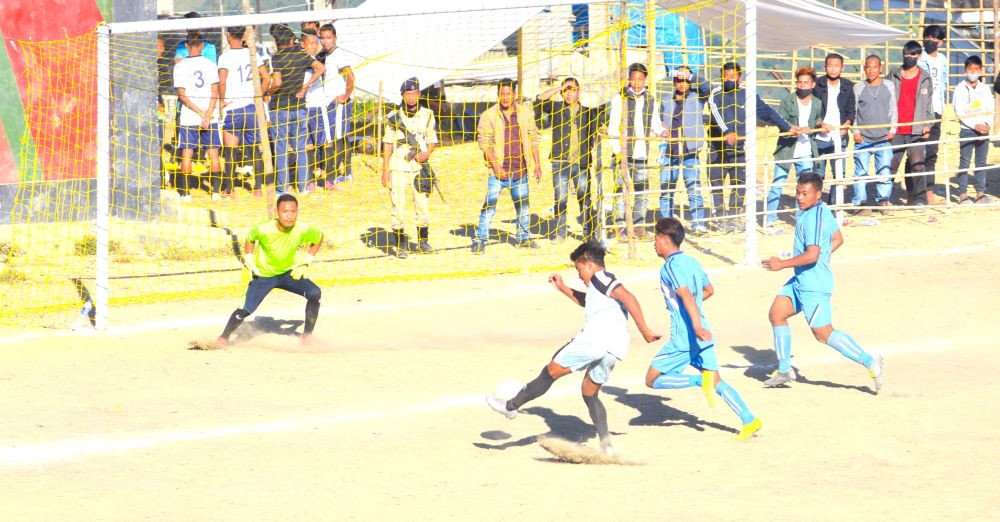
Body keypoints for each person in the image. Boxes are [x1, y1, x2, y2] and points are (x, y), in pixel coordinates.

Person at [486, 240, 661, 456]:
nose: (578, 275)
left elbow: (629, 297)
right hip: (613, 350)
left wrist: (644, 329)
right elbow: (587, 301)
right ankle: (606, 444)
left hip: (593, 341)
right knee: (589, 393)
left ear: (588, 264)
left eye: (578, 269)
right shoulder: (599, 288)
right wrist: (563, 288)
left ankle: (510, 407)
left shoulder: (602, 278)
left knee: (549, 372)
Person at [761, 172, 884, 392]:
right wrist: (820, 257)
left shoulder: (814, 218)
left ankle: (870, 361)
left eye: (804, 193)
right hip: (801, 279)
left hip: (813, 285)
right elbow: (838, 239)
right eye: (798, 192)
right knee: (776, 314)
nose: (799, 197)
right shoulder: (820, 211)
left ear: (817, 194)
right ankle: (784, 371)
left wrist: (782, 264)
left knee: (823, 333)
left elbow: (812, 255)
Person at [646, 218, 762, 441]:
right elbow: (708, 290)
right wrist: (695, 314)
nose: (654, 244)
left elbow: (687, 295)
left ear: (664, 239)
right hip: (703, 334)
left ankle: (699, 381)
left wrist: (694, 324)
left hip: (686, 338)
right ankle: (749, 420)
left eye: (655, 238)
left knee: (652, 379)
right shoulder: (691, 261)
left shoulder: (669, 267)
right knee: (717, 380)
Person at [217, 194, 323, 345]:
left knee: (315, 293)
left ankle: (307, 336)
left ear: (297, 212)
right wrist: (248, 259)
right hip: (263, 276)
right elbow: (250, 238)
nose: (289, 215)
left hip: (288, 274)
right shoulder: (264, 228)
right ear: (276, 213)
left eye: (293, 211)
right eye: (285, 211)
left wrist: (307, 261)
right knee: (245, 310)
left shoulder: (302, 228)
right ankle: (223, 338)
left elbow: (319, 238)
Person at [707, 62, 791, 233]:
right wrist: (727, 131)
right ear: (721, 77)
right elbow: (716, 114)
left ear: (739, 77)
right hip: (717, 148)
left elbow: (767, 111)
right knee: (716, 184)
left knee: (739, 183)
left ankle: (734, 217)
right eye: (726, 76)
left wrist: (787, 127)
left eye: (733, 76)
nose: (729, 79)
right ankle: (721, 219)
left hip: (738, 148)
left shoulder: (747, 94)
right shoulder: (715, 95)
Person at [473, 78, 542, 254]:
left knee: (523, 207)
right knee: (489, 206)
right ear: (498, 95)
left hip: (520, 170)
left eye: (508, 94)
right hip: (498, 172)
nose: (505, 97)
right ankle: (480, 240)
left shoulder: (526, 113)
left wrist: (537, 164)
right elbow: (484, 143)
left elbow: (534, 138)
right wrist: (496, 166)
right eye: (502, 94)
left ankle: (523, 238)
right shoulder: (488, 115)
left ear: (514, 95)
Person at [536, 77, 600, 242]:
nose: (569, 94)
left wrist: (586, 154)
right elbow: (539, 99)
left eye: (572, 90)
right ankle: (560, 233)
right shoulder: (556, 108)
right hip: (560, 162)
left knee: (584, 198)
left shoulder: (588, 112)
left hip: (581, 163)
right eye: (566, 91)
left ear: (579, 91)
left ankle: (588, 233)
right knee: (560, 199)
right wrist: (559, 88)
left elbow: (592, 136)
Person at [381, 77, 439, 258]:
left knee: (422, 203)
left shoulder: (428, 114)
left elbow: (432, 140)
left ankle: (423, 241)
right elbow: (388, 144)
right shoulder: (393, 117)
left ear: (419, 94)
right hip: (398, 164)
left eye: (414, 94)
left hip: (418, 165)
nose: (411, 97)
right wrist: (385, 170)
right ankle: (400, 243)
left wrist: (426, 154)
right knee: (397, 204)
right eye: (408, 94)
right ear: (402, 95)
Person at [607, 63, 666, 240]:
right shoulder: (620, 98)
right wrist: (617, 150)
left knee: (642, 192)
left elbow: (655, 122)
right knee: (621, 191)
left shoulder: (650, 100)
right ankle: (620, 227)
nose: (637, 82)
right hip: (623, 153)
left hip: (642, 153)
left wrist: (662, 131)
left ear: (645, 80)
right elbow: (612, 126)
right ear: (629, 79)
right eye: (633, 79)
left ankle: (639, 227)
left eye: (640, 79)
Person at [265, 24, 325, 195]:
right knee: (300, 148)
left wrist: (266, 92)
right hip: (299, 107)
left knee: (281, 149)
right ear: (292, 39)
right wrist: (305, 87)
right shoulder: (301, 54)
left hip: (280, 108)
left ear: (277, 41)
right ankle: (303, 187)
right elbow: (320, 68)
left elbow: (277, 82)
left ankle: (282, 189)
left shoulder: (276, 58)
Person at [765, 67, 822, 230]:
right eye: (800, 82)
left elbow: (817, 118)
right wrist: (793, 128)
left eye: (806, 82)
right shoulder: (787, 100)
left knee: (804, 187)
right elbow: (781, 120)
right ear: (796, 83)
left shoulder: (817, 103)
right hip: (787, 148)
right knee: (778, 184)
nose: (803, 85)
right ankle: (770, 217)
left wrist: (819, 125)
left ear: (812, 84)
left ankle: (801, 219)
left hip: (806, 149)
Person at [218, 25, 271, 197]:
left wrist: (221, 102)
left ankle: (229, 189)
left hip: (233, 108)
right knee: (254, 149)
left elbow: (222, 81)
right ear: (243, 36)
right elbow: (267, 78)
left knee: (230, 151)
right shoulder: (252, 54)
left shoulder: (225, 57)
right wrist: (259, 96)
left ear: (228, 35)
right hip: (251, 107)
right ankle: (257, 189)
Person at [657, 66, 710, 234]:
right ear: (674, 81)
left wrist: (692, 75)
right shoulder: (666, 100)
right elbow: (659, 120)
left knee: (693, 186)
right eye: (679, 80)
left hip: (690, 149)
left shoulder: (698, 97)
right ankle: (666, 226)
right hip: (669, 149)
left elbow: (707, 87)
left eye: (686, 80)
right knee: (666, 188)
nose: (682, 83)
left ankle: (698, 223)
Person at [173, 31, 222, 201]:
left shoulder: (180, 66)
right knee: (213, 154)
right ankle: (215, 192)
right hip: (210, 116)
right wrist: (207, 113)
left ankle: (186, 193)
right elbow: (215, 91)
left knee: (187, 154)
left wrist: (199, 112)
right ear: (202, 45)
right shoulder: (210, 65)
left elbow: (182, 95)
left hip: (189, 117)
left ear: (186, 46)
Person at [887, 40, 935, 208]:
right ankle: (883, 198)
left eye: (912, 55)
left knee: (917, 165)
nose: (909, 58)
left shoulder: (925, 78)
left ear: (919, 56)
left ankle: (920, 199)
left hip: (916, 129)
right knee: (891, 165)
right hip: (896, 129)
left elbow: (929, 105)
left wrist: (927, 125)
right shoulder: (893, 75)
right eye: (906, 55)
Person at [851, 55, 897, 215]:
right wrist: (855, 131)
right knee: (861, 172)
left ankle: (883, 200)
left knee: (884, 170)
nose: (871, 70)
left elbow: (893, 108)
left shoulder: (889, 86)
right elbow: (854, 111)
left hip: (883, 137)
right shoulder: (858, 87)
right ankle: (861, 203)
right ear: (864, 68)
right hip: (863, 138)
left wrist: (893, 129)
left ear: (880, 68)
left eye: (874, 67)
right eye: (868, 67)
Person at [318, 23, 356, 190]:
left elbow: (351, 76)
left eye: (329, 38)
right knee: (339, 137)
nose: (326, 41)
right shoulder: (327, 55)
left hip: (339, 103)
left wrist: (345, 96)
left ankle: (333, 177)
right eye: (323, 38)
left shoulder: (339, 54)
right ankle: (347, 171)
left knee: (337, 138)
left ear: (335, 38)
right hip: (330, 103)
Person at [952, 55, 993, 205]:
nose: (973, 72)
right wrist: (974, 125)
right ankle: (963, 194)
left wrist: (986, 125)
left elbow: (990, 109)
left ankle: (980, 193)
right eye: (970, 69)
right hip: (967, 130)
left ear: (981, 71)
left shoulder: (985, 88)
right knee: (964, 162)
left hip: (984, 130)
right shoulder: (960, 88)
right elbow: (960, 112)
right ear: (965, 70)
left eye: (976, 69)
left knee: (981, 162)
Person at [813, 53, 856, 191]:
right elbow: (811, 110)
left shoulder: (849, 86)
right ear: (825, 67)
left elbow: (851, 110)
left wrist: (847, 125)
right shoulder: (817, 86)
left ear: (842, 68)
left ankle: (834, 207)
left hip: (840, 135)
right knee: (817, 175)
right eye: (830, 66)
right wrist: (820, 124)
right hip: (819, 135)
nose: (833, 69)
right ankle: (816, 207)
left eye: (836, 66)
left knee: (839, 173)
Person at [917, 24, 948, 205]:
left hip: (937, 110)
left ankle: (929, 192)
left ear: (941, 42)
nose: (930, 41)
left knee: (932, 153)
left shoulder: (943, 59)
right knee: (917, 152)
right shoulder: (919, 58)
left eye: (933, 38)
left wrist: (942, 109)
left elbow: (942, 85)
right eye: (927, 37)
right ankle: (916, 192)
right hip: (922, 111)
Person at [300, 29, 328, 194]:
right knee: (308, 144)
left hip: (317, 105)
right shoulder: (301, 59)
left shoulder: (315, 60)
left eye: (315, 43)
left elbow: (321, 69)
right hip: (304, 107)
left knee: (323, 142)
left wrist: (306, 85)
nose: (313, 46)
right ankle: (310, 179)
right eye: (310, 43)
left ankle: (328, 178)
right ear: (302, 44)